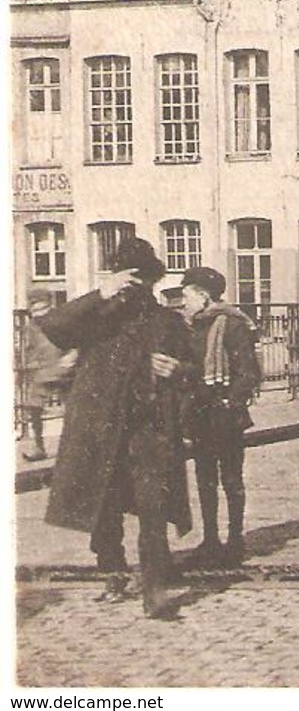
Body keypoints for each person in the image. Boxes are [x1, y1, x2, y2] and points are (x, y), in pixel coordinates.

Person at [38, 238, 198, 618]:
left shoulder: (167, 321)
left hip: (148, 429)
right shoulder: (96, 320)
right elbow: (52, 326)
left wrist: (177, 370)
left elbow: (196, 370)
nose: (134, 292)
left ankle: (155, 587)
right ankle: (112, 572)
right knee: (102, 504)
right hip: (100, 427)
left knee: (153, 505)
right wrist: (100, 293)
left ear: (153, 282)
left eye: (141, 283)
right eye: (128, 282)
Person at [174, 266, 261, 567]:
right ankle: (210, 540)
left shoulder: (232, 325)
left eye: (186, 296)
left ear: (203, 296)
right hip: (199, 413)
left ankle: (235, 539)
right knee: (205, 479)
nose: (183, 302)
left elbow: (248, 371)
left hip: (224, 413)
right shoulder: (190, 326)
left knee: (232, 478)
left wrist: (231, 402)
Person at [17, 289, 63, 461]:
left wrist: (69, 359)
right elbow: (30, 349)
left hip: (64, 370)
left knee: (73, 410)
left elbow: (75, 343)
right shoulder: (31, 327)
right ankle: (39, 447)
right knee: (34, 407)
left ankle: (73, 447)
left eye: (42, 310)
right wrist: (30, 365)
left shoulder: (61, 320)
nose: (38, 316)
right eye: (35, 311)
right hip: (43, 372)